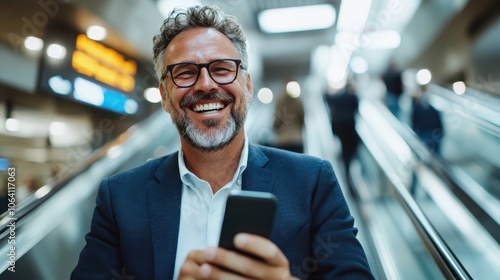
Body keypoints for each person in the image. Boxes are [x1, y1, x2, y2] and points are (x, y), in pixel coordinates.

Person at [72, 5, 374, 280]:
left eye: (222, 69)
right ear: (164, 97)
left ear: (248, 85)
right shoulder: (120, 199)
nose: (206, 85)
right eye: (185, 73)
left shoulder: (312, 182)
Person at [325, 80, 360, 192]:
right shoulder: (352, 96)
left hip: (338, 127)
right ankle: (348, 162)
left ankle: (345, 162)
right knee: (351, 148)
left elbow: (328, 100)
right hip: (349, 126)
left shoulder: (338, 97)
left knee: (345, 148)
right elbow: (356, 109)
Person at [273, 82, 305, 153]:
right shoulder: (298, 100)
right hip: (297, 139)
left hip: (283, 140)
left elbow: (277, 121)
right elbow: (302, 117)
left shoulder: (280, 100)